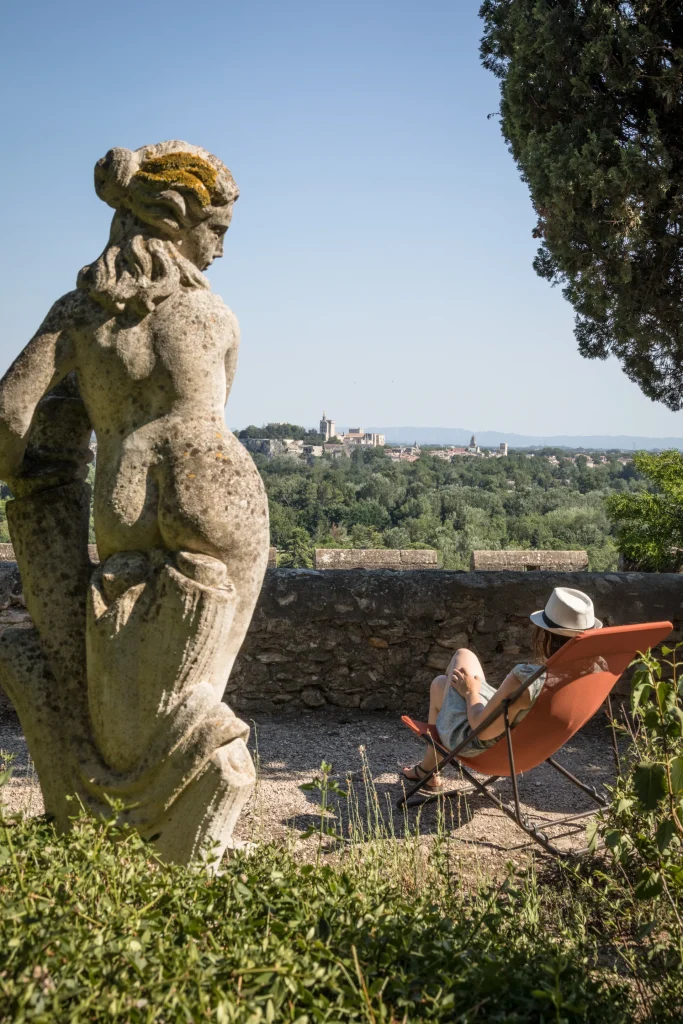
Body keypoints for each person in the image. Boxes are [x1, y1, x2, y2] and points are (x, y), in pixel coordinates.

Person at [402, 587, 602, 790]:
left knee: (461, 656)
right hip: (528, 745)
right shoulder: (594, 674)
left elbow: (482, 730)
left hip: (486, 746)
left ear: (545, 637)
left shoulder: (526, 679)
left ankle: (427, 770)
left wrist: (470, 692)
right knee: (440, 684)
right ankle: (427, 770)